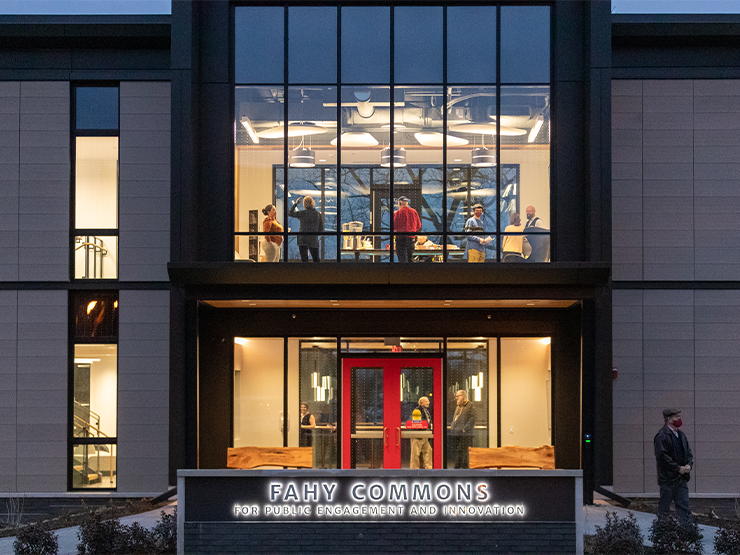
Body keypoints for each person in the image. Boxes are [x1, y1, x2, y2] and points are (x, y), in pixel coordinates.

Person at [654, 408, 693, 519]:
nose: (679, 419)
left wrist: (689, 465)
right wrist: (677, 468)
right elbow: (661, 457)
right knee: (664, 510)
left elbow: (688, 453)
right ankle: (661, 533)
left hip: (681, 479)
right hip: (668, 480)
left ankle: (687, 534)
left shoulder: (681, 435)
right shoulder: (661, 436)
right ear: (669, 419)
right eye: (676, 417)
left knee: (684, 509)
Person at [289, 195, 323, 262]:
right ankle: (317, 272)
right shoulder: (318, 214)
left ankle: (305, 272)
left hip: (302, 239)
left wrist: (296, 204)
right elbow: (321, 229)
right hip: (313, 239)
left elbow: (289, 213)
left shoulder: (302, 213)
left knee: (304, 260)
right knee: (316, 260)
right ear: (312, 203)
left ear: (304, 204)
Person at [450, 389, 476, 469]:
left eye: (458, 396)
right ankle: (465, 467)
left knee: (461, 450)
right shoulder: (458, 406)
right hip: (457, 432)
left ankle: (457, 468)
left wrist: (466, 428)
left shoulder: (470, 405)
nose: (456, 398)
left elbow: (473, 418)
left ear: (463, 396)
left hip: (465, 433)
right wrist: (452, 427)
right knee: (462, 451)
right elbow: (455, 418)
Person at [393, 196, 421, 263]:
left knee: (402, 259)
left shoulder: (397, 213)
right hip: (411, 239)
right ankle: (410, 272)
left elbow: (393, 227)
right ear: (407, 203)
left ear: (400, 203)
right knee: (410, 258)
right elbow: (418, 225)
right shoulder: (414, 212)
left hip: (401, 238)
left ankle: (403, 272)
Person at [410, 396, 433, 469]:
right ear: (421, 403)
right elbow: (416, 423)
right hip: (418, 436)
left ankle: (429, 469)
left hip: (425, 435)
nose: (428, 403)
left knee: (428, 451)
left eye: (428, 401)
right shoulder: (417, 411)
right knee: (415, 455)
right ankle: (414, 470)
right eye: (426, 401)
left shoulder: (426, 411)